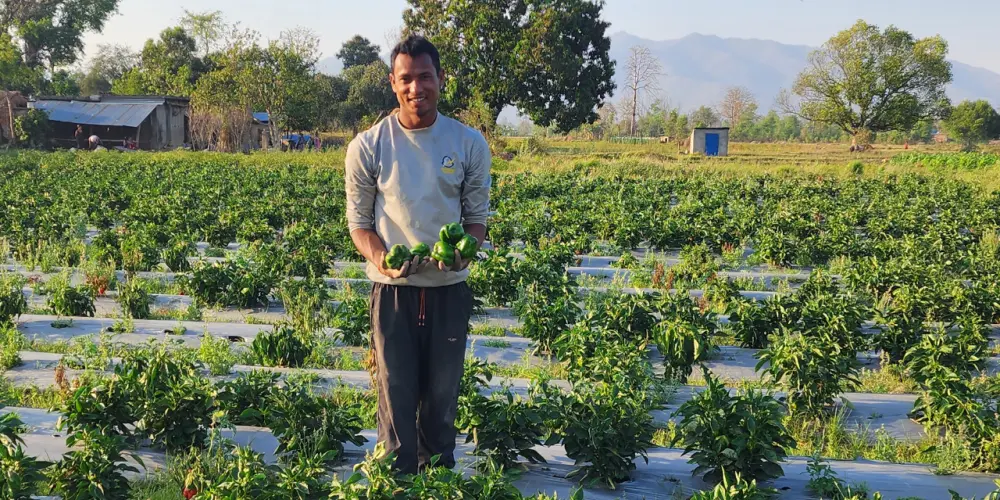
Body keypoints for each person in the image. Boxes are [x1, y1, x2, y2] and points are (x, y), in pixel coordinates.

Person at [344, 34, 491, 475]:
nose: (416, 88)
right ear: (392, 82)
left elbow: (476, 218)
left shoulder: (468, 143)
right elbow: (359, 224)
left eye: (425, 77)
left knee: (443, 393)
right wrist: (382, 257)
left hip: (448, 289)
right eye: (406, 79)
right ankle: (398, 473)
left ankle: (439, 475)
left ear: (441, 79)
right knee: (395, 389)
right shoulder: (368, 146)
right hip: (392, 291)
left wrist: (464, 253)